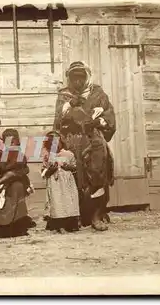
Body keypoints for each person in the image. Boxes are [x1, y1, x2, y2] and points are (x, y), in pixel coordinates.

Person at [53, 61, 116, 231]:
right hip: (72, 139)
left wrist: (99, 120)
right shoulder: (64, 96)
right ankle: (76, 215)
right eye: (74, 78)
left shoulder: (98, 94)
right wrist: (69, 106)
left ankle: (96, 214)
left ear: (87, 77)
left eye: (81, 77)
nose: (78, 82)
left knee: (97, 173)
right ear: (69, 79)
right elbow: (58, 120)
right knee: (74, 175)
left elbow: (109, 117)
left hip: (93, 138)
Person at [41, 130, 80, 233]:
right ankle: (60, 225)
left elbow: (75, 167)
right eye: (51, 143)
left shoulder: (68, 154)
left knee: (69, 202)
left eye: (56, 142)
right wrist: (50, 169)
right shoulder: (48, 156)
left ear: (61, 142)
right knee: (57, 203)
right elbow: (44, 172)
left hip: (67, 184)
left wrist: (69, 167)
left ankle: (71, 223)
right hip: (55, 184)